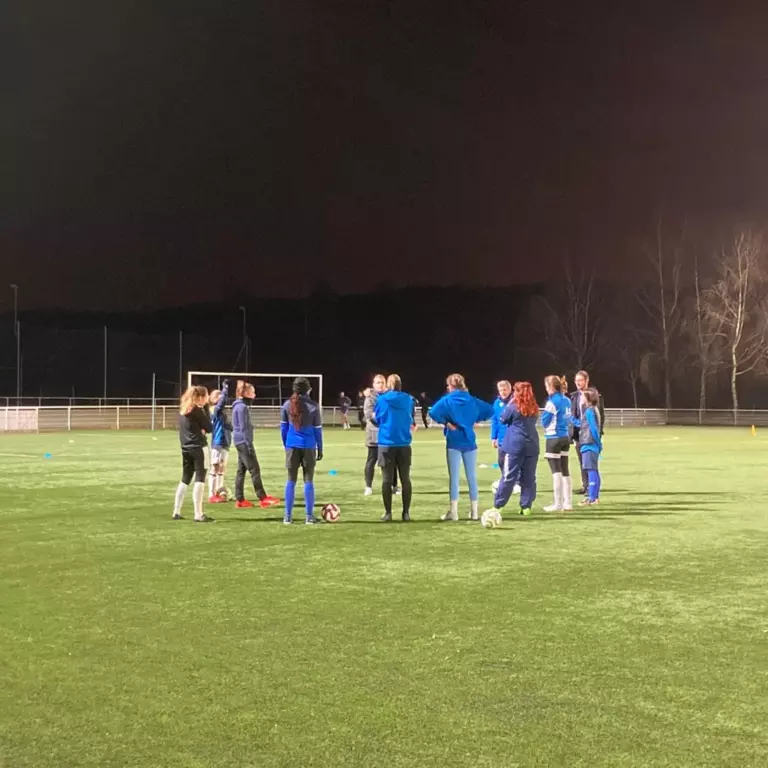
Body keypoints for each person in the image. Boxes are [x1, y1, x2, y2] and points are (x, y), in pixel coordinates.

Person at [428, 373, 494, 521]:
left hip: (454, 440)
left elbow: (433, 412)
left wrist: (446, 423)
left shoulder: (447, 400)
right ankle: (474, 512)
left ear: (450, 386)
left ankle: (454, 512)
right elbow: (490, 410)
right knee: (472, 477)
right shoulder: (471, 400)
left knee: (454, 478)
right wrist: (476, 420)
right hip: (469, 441)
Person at [491, 381, 540, 516]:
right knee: (529, 477)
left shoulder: (513, 405)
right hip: (532, 445)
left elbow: (503, 419)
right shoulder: (534, 406)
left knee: (508, 476)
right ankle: (526, 507)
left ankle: (498, 506)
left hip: (515, 445)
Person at [280, 377, 323, 524]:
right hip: (308, 446)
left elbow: (283, 429)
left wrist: (286, 445)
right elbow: (317, 430)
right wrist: (320, 448)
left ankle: (287, 516)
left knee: (290, 480)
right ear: (308, 390)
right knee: (308, 480)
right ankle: (309, 516)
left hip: (292, 446)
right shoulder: (313, 406)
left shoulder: (287, 405)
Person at [232, 380, 281, 509]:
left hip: (239, 441)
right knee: (255, 470)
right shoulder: (242, 407)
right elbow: (243, 428)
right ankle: (262, 498)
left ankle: (240, 499)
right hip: (243, 442)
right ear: (246, 393)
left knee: (241, 471)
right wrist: (248, 444)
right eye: (252, 392)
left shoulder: (239, 406)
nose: (254, 395)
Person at [373, 374, 415, 522]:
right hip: (404, 443)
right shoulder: (408, 399)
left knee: (386, 480)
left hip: (386, 443)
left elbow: (378, 418)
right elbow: (411, 417)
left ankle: (388, 513)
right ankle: (406, 513)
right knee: (405, 479)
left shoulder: (382, 399)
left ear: (388, 385)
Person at [173, 385, 214, 522]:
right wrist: (206, 408)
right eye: (206, 396)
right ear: (200, 397)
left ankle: (176, 511)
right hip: (199, 447)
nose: (207, 399)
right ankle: (198, 514)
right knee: (200, 479)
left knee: (185, 478)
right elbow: (209, 427)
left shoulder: (184, 409)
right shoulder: (196, 410)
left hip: (186, 448)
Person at [541, 375, 573, 512]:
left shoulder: (552, 402)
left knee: (556, 472)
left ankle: (558, 504)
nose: (546, 389)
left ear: (551, 387)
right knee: (565, 470)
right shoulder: (567, 400)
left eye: (546, 386)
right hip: (565, 437)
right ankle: (568, 503)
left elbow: (544, 422)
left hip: (553, 438)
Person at [570, 370, 605, 494]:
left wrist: (598, 437)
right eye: (576, 380)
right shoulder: (574, 396)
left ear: (586, 380)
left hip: (590, 436)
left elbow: (600, 417)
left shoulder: (594, 396)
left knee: (591, 464)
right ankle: (586, 486)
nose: (578, 383)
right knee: (583, 462)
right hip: (579, 435)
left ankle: (592, 490)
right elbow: (574, 415)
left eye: (580, 380)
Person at [363, 375, 399, 497]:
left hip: (388, 435)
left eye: (382, 382)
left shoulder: (390, 395)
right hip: (374, 434)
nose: (380, 385)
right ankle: (368, 486)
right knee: (371, 460)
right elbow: (369, 415)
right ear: (373, 384)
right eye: (378, 383)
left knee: (391, 462)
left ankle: (394, 486)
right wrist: (385, 420)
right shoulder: (370, 397)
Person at [490, 380, 520, 495]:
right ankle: (506, 481)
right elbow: (494, 421)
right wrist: (494, 437)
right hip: (501, 439)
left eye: (505, 390)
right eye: (501, 390)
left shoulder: (516, 401)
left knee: (514, 461)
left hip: (513, 437)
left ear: (510, 389)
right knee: (501, 461)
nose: (503, 392)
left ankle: (517, 483)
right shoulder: (497, 403)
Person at [207, 380, 233, 503]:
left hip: (225, 442)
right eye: (219, 396)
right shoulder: (215, 410)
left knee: (222, 468)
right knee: (215, 467)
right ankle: (211, 494)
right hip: (218, 442)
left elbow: (227, 426)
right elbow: (222, 402)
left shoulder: (221, 412)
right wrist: (225, 388)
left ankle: (219, 492)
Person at [578, 388, 603, 506]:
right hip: (592, 445)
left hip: (589, 444)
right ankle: (595, 497)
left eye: (583, 396)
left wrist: (598, 443)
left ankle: (591, 498)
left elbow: (593, 428)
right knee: (594, 470)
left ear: (588, 398)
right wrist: (571, 420)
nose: (581, 398)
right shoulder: (593, 409)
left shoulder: (589, 411)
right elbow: (586, 425)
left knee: (591, 471)